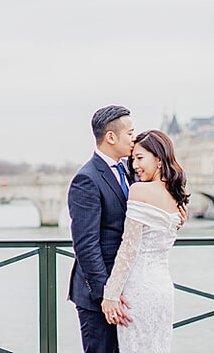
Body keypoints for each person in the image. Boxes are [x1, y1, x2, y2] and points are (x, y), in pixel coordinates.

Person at [100, 129, 189, 353]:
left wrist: (110, 295)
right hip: (163, 289)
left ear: (158, 159)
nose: (135, 166)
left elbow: (129, 249)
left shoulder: (139, 190)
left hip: (138, 288)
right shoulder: (174, 194)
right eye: (133, 160)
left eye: (140, 158)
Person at [68, 105, 136, 353]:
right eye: (130, 132)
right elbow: (86, 244)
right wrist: (106, 294)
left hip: (128, 290)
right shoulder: (87, 178)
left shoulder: (130, 170)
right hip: (100, 296)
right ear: (111, 137)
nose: (134, 138)